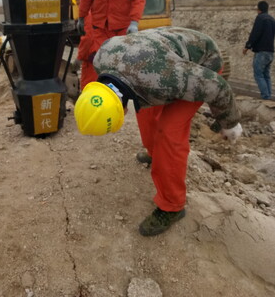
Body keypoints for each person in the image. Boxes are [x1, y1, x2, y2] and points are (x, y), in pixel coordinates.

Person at [74, 27, 242, 236]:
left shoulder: (165, 80)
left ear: (122, 111)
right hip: (160, 57)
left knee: (169, 132)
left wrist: (230, 122)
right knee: (145, 113)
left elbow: (216, 86)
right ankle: (155, 154)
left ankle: (172, 206)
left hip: (203, 60)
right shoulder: (101, 58)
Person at [243, 0, 275, 100]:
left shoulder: (260, 18)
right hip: (270, 51)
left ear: (259, 9)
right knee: (266, 75)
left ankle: (265, 97)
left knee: (258, 75)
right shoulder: (272, 19)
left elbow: (255, 33)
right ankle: (268, 96)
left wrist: (247, 46)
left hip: (261, 51)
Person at [72, 0, 97, 90]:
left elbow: (87, 37)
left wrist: (80, 57)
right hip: (100, 57)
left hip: (92, 59)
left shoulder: (88, 15)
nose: (79, 7)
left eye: (79, 4)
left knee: (89, 88)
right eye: (77, 5)